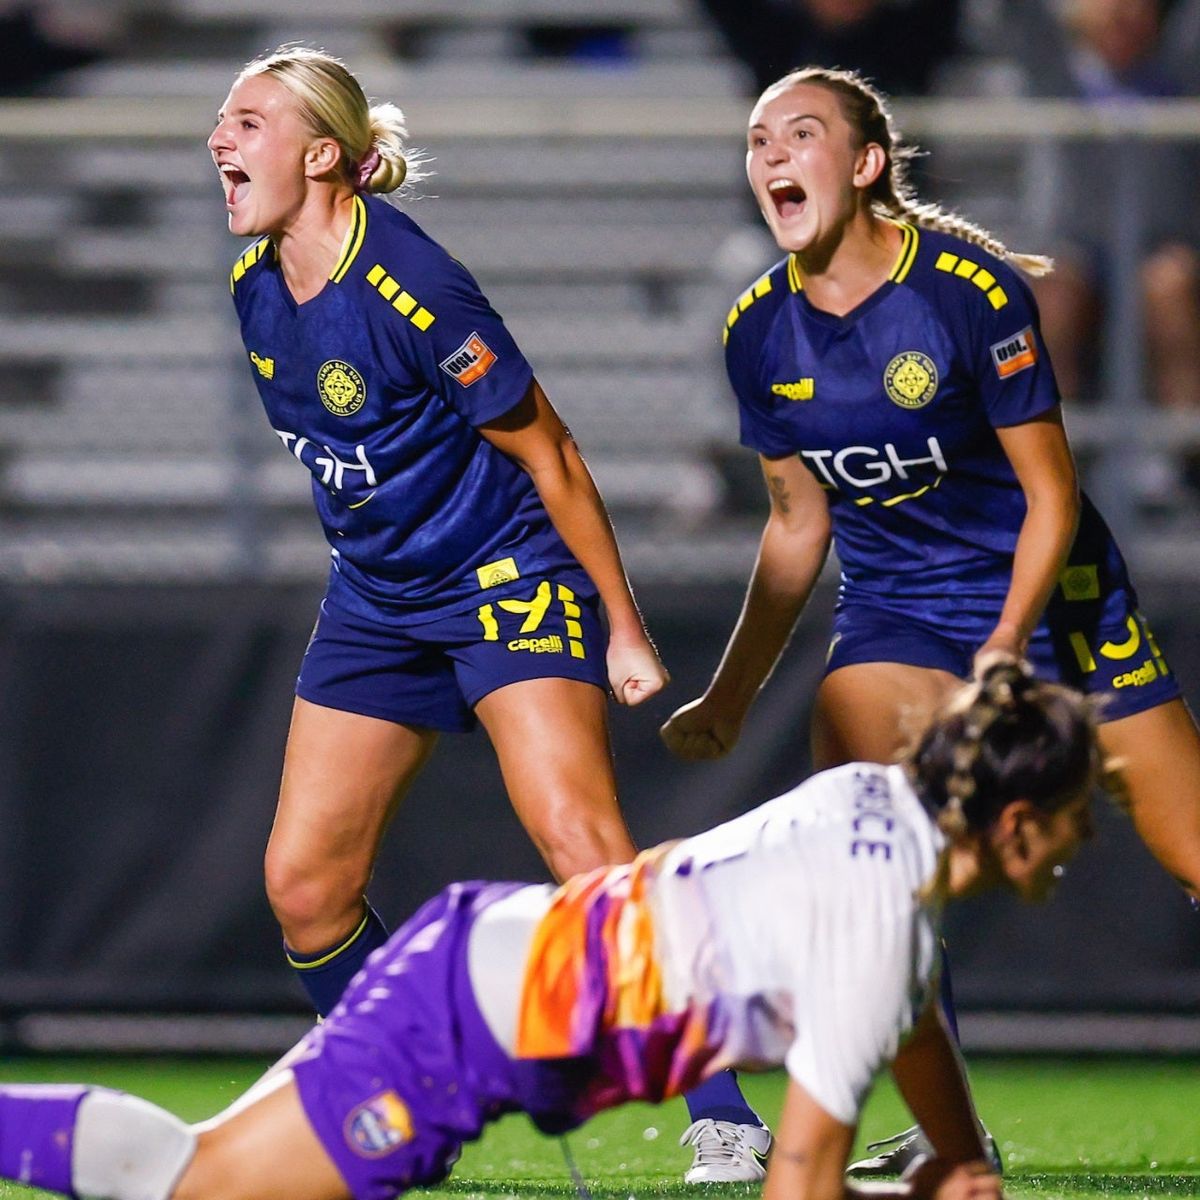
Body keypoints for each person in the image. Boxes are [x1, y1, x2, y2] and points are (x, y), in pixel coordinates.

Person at [204, 46, 769, 1179]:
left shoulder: (412, 284)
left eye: (249, 121)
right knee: (305, 890)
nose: (221, 138)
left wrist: (621, 626)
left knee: (581, 845)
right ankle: (405, 1103)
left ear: (322, 155)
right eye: (224, 119)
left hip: (503, 579)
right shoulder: (254, 283)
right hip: (377, 596)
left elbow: (549, 452)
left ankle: (725, 1113)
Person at [659, 64, 1200, 1171]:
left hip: (1055, 601)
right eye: (758, 141)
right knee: (872, 859)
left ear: (865, 165)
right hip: (898, 612)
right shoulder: (756, 328)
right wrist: (730, 695)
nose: (771, 157)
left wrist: (1006, 645)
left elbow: (1052, 495)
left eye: (799, 135)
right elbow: (796, 530)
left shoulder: (966, 291)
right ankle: (947, 1139)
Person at [0, 658, 1104, 1200]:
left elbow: (912, 1025)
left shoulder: (872, 802)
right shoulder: (881, 933)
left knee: (192, 1169)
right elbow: (802, 1181)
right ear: (1014, 824)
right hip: (467, 1031)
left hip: (485, 959)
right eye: (1076, 814)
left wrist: (957, 1161)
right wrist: (921, 1184)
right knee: (187, 1182)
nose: (1083, 838)